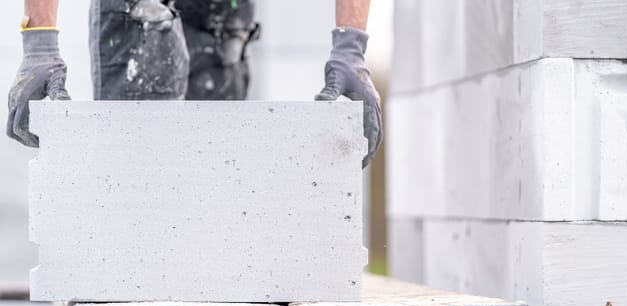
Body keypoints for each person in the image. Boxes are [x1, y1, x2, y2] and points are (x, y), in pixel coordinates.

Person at [7, 0, 382, 168]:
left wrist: (351, 46)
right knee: (136, 175)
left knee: (214, 177)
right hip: (138, 7)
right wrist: (39, 37)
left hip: (222, 11)